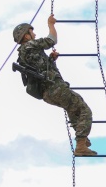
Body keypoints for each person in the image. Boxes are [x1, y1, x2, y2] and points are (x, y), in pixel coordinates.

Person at [13, 14, 97, 156]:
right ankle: (81, 144)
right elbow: (51, 40)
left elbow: (41, 69)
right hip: (55, 88)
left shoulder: (24, 53)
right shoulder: (29, 46)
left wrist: (51, 60)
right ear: (26, 36)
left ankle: (81, 139)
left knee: (72, 108)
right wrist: (51, 25)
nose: (34, 34)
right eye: (31, 32)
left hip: (47, 93)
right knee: (84, 110)